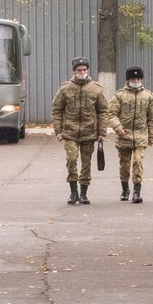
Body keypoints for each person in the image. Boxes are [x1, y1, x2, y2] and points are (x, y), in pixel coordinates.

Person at [51, 57, 108, 205]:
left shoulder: (96, 88)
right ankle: (73, 191)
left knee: (86, 163)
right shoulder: (65, 88)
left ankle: (83, 193)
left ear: (88, 70)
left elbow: (103, 111)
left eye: (84, 70)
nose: (82, 72)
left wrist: (102, 132)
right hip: (70, 132)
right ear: (74, 71)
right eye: (79, 70)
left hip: (89, 132)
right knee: (71, 159)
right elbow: (57, 110)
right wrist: (58, 130)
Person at [108, 67, 153, 204]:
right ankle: (125, 189)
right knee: (124, 164)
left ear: (141, 79)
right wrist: (118, 127)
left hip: (140, 136)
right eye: (133, 79)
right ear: (128, 79)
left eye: (138, 78)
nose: (135, 81)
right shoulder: (119, 95)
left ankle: (137, 192)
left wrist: (152, 135)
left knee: (137, 162)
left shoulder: (148, 96)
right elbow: (112, 114)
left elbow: (152, 117)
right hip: (124, 135)